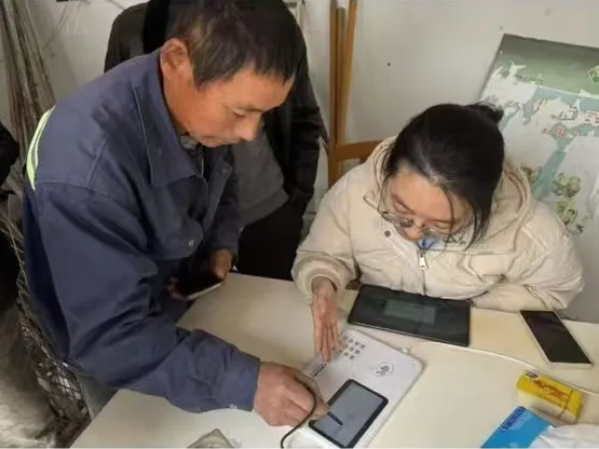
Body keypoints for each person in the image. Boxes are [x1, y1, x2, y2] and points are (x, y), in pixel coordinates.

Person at [23, 0, 326, 423]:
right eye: (241, 111)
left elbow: (222, 178)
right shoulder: (87, 170)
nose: (249, 133)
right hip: (119, 351)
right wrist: (246, 382)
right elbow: (111, 340)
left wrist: (221, 244)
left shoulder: (191, 104)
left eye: (264, 114)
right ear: (175, 59)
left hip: (179, 313)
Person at [292, 103, 584, 361]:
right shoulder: (355, 191)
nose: (414, 234)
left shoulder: (531, 231)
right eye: (400, 211)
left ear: (482, 207)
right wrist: (323, 282)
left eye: (440, 226)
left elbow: (554, 289)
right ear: (387, 174)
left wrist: (476, 309)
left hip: (471, 345)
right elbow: (321, 254)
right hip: (377, 335)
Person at [104, 0, 325, 280]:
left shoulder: (272, 22)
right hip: (182, 223)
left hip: (267, 210)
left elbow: (304, 118)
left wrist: (296, 202)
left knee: (269, 302)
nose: (248, 133)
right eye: (239, 112)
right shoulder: (133, 29)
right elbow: (122, 120)